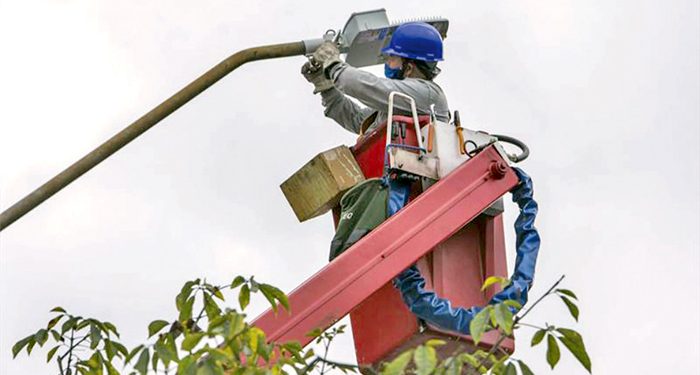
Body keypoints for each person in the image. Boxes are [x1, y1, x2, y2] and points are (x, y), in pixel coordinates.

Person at [302, 22, 450, 135]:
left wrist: (333, 65)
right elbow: (358, 120)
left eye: (392, 57)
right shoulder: (398, 103)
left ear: (409, 68)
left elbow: (365, 86)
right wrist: (327, 88)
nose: (387, 62)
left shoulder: (428, 94)